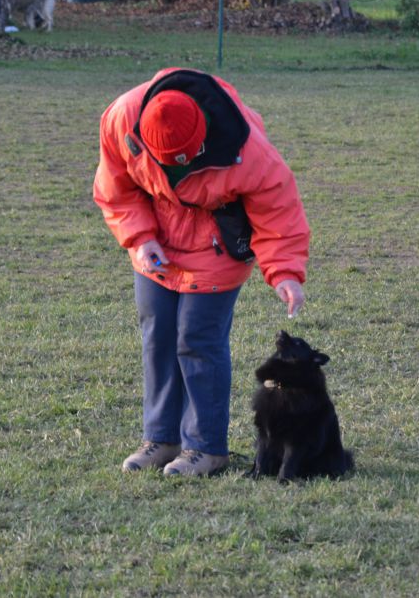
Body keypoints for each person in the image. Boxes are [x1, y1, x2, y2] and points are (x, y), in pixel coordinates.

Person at [93, 67, 310, 477]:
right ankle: (160, 438)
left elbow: (277, 207)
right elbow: (116, 187)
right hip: (157, 240)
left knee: (197, 338)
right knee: (157, 335)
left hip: (218, 243)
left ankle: (205, 447)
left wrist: (284, 271)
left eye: (189, 158)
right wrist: (139, 238)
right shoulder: (122, 118)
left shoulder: (248, 147)